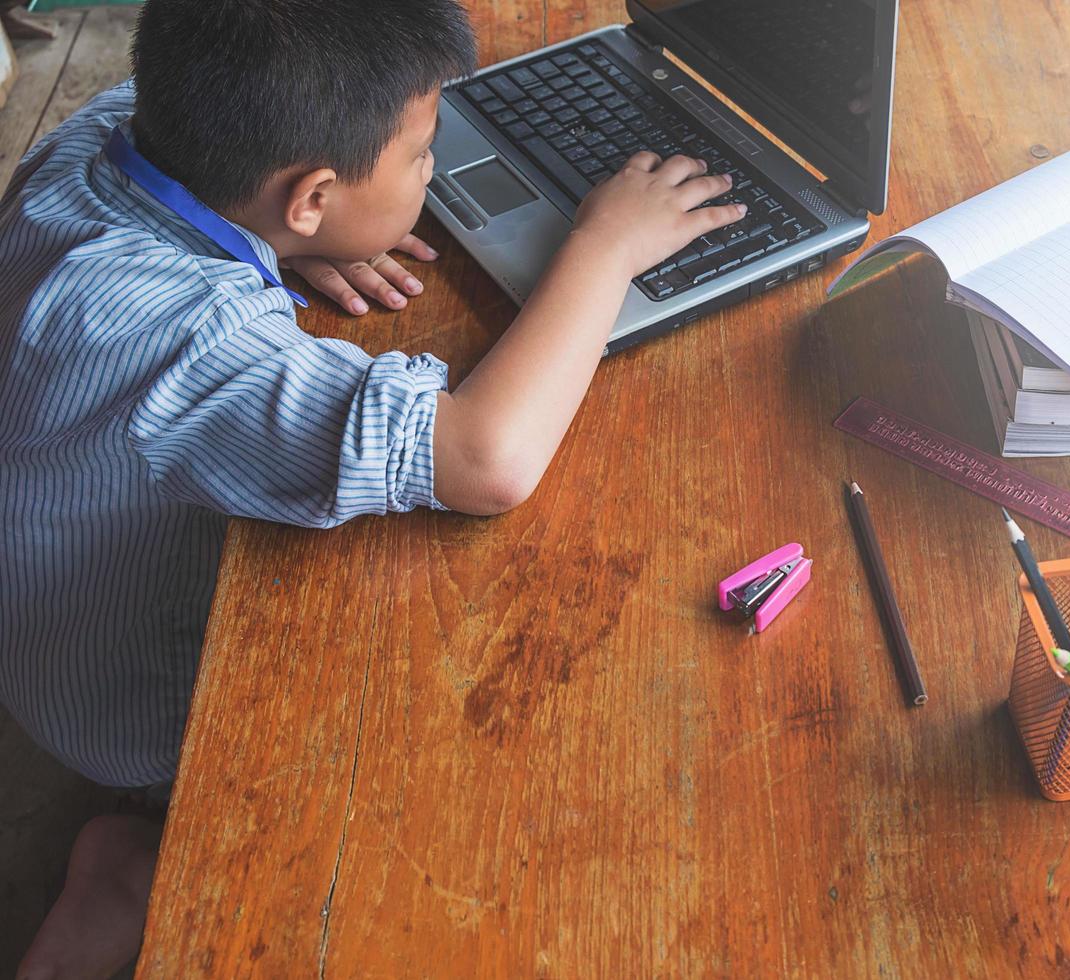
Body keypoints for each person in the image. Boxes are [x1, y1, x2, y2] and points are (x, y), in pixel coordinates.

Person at [0, 0, 746, 975]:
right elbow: (487, 457)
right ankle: (147, 844)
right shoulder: (190, 349)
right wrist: (606, 244)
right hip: (132, 713)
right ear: (308, 193)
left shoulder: (98, 137)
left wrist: (282, 247)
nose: (435, 171)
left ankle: (120, 863)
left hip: (44, 623)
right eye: (424, 154)